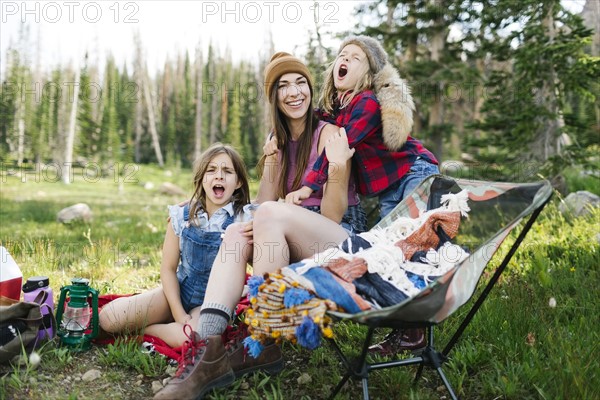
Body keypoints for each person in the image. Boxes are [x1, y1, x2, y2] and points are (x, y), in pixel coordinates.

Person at [153, 53, 365, 399]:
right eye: (283, 86)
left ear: (310, 89)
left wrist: (338, 168)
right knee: (237, 231)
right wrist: (271, 162)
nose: (293, 92)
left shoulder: (329, 134)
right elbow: (261, 207)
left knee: (266, 216)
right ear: (274, 98)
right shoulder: (276, 138)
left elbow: (332, 218)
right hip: (286, 241)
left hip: (338, 242)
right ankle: (208, 349)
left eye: (300, 83)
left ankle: (263, 335)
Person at [285, 35, 440, 354]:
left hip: (414, 171)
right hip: (389, 186)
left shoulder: (367, 102)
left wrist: (308, 186)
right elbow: (317, 120)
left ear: (369, 74)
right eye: (342, 55)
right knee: (392, 251)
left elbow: (338, 145)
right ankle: (406, 326)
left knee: (411, 243)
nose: (345, 59)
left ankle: (416, 327)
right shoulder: (340, 108)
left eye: (355, 58)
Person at [98, 143, 253, 348]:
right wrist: (178, 312)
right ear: (201, 178)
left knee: (195, 339)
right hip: (179, 290)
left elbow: (271, 218)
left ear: (239, 181)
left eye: (227, 171)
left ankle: (146, 331)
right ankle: (163, 321)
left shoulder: (245, 218)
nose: (219, 176)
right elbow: (168, 268)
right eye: (211, 170)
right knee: (109, 320)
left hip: (212, 303)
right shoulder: (182, 215)